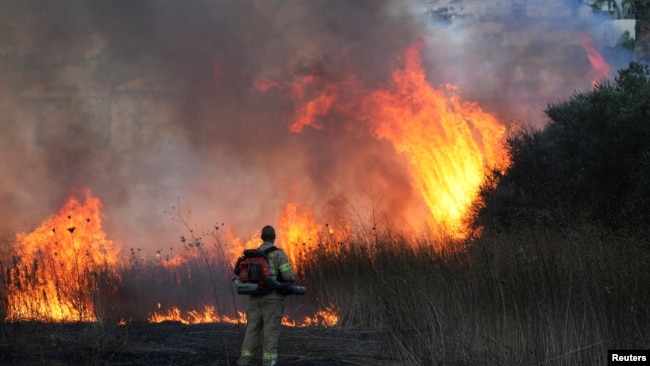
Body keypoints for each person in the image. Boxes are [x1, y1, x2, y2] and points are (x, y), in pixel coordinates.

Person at [237, 225, 296, 366]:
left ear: (261, 237)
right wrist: (292, 275)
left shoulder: (253, 255)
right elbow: (288, 276)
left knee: (252, 329)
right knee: (271, 331)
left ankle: (244, 360)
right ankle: (269, 362)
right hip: (272, 299)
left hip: (254, 298)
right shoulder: (278, 254)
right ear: (274, 237)